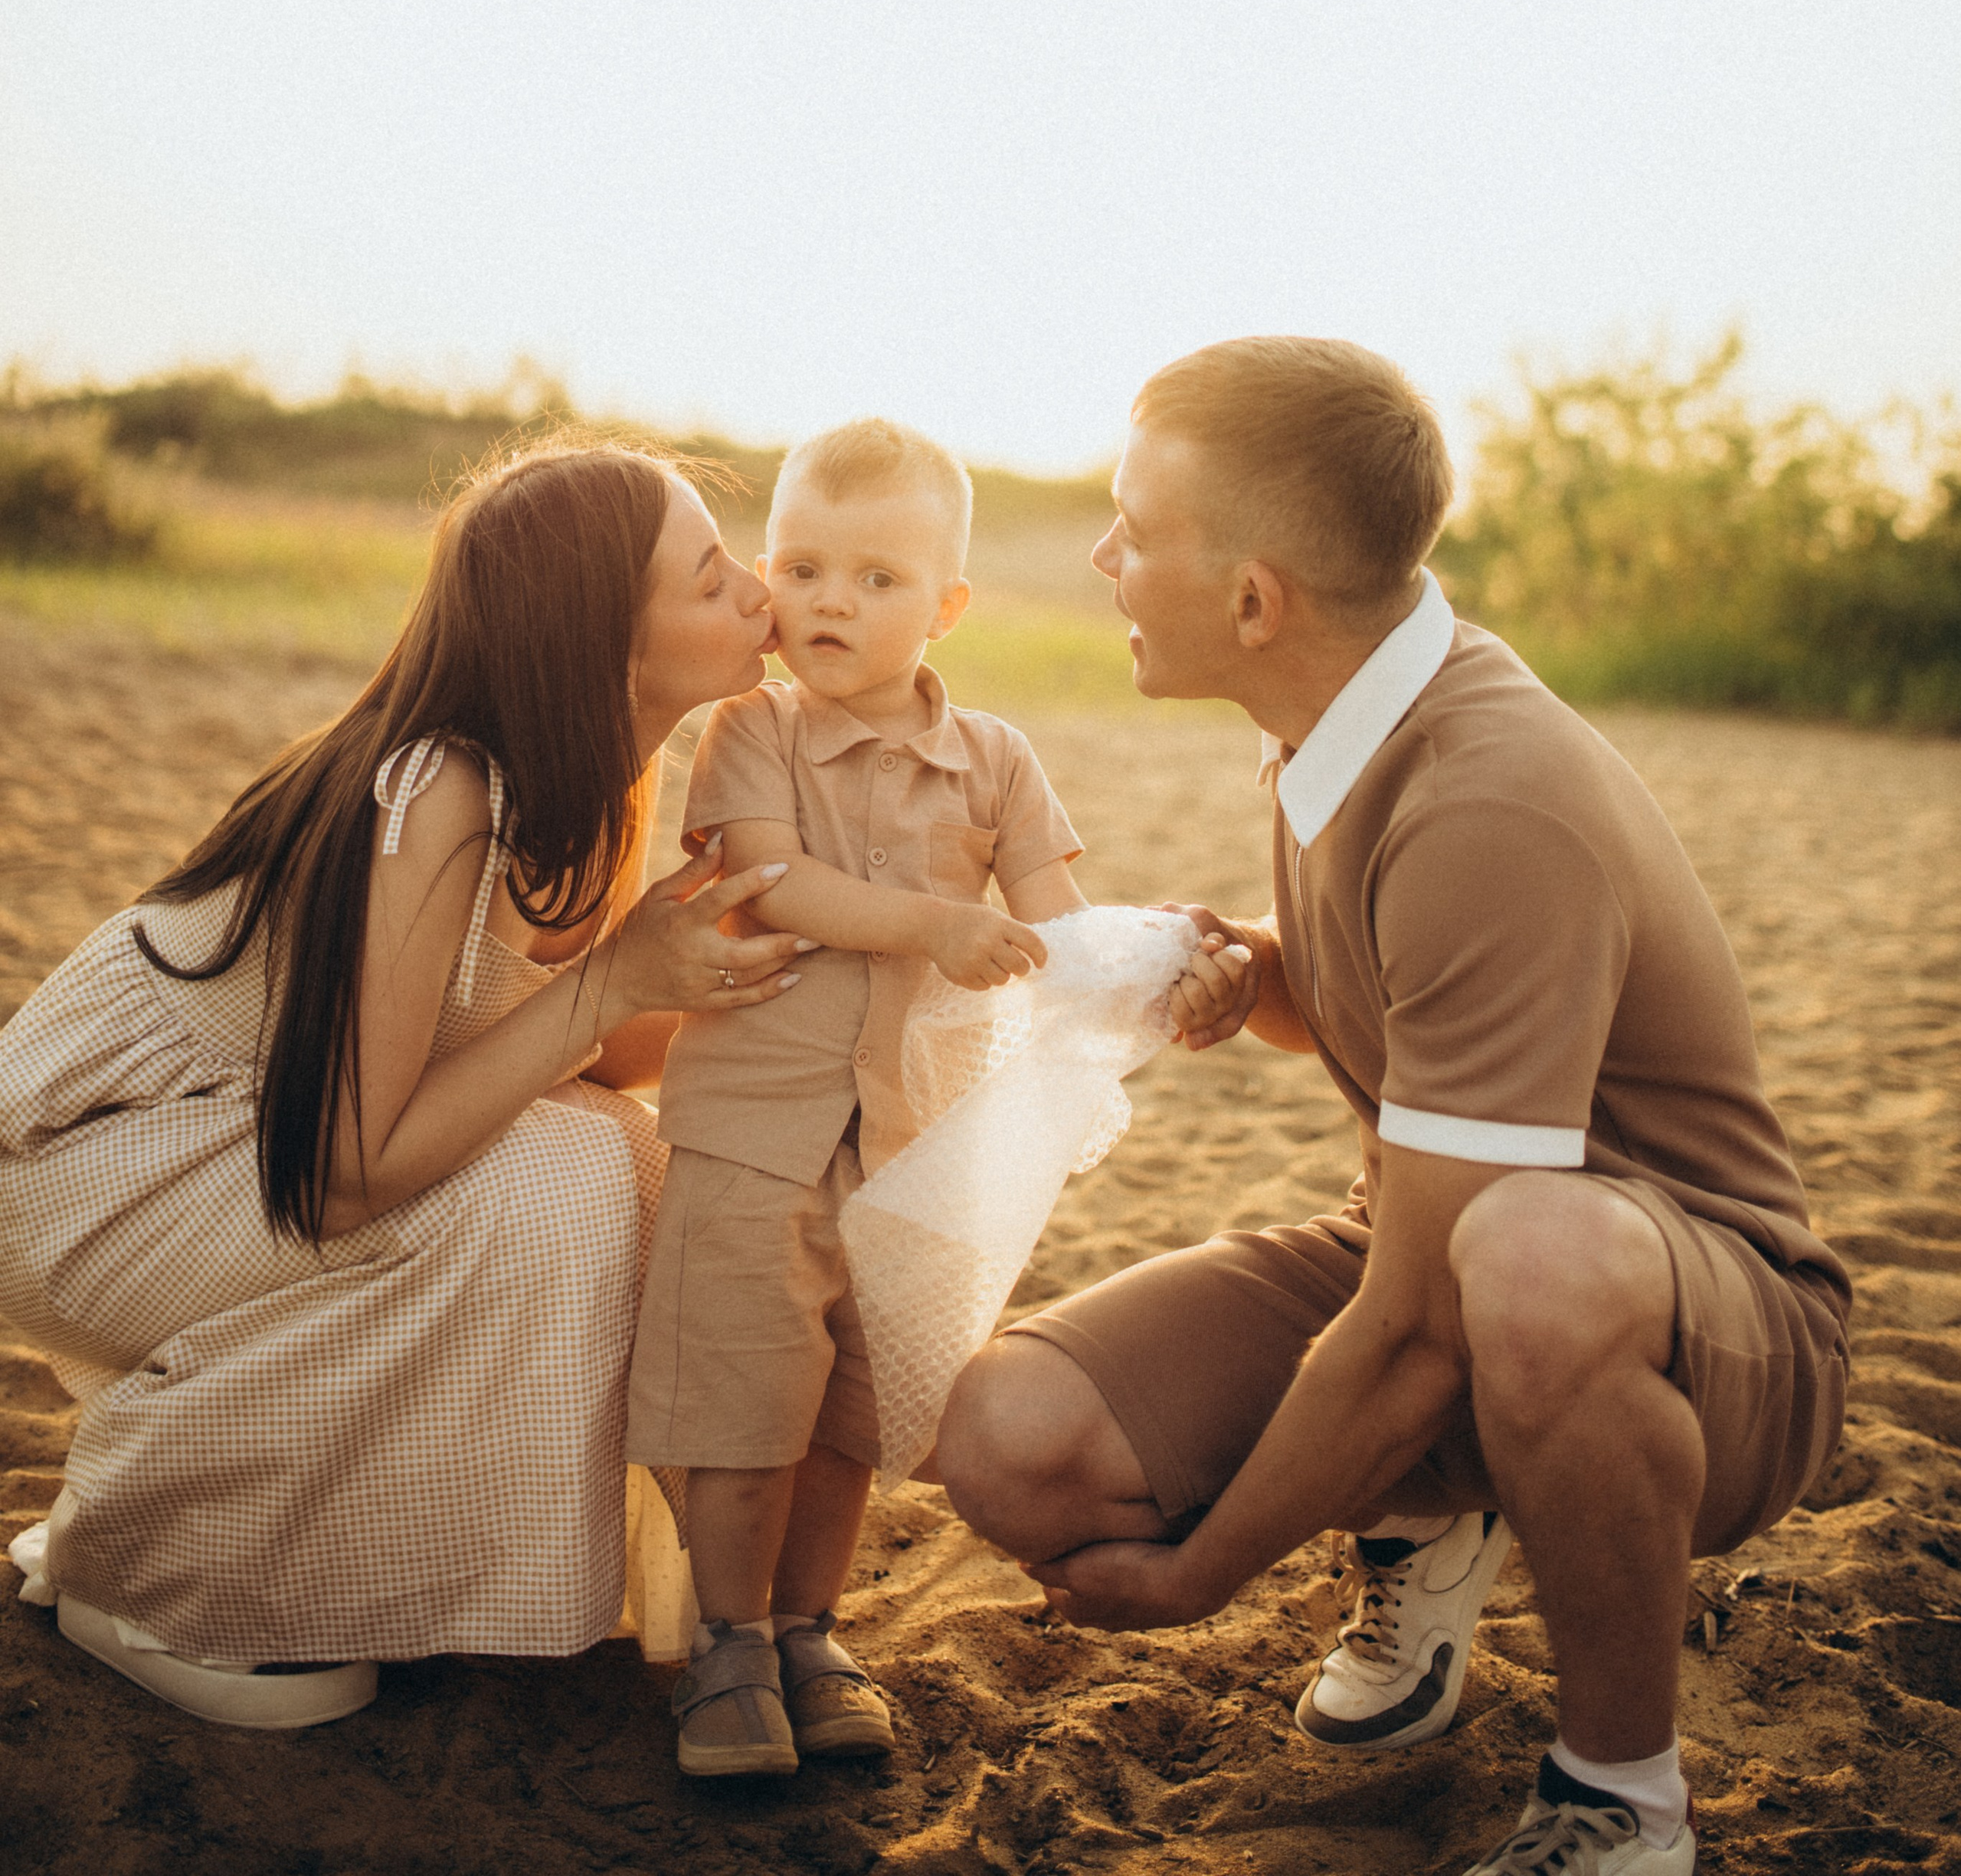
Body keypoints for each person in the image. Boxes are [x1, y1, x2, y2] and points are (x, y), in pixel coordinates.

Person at [936, 339, 1851, 1876]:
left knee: (1526, 1268)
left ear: (1254, 600)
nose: (1102, 560)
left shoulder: (1485, 794)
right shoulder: (1343, 706)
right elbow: (1403, 1010)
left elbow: (1427, 1320)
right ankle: (1435, 1515)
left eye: (1132, 529)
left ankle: (1620, 1799)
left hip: (1703, 1320)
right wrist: (1255, 971)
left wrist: (1205, 1578)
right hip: (1435, 1257)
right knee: (1011, 1440)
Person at [0, 436, 808, 1728]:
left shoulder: (598, 777)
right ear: (604, 643)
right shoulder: (440, 790)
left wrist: (756, 974)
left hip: (255, 1147)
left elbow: (576, 1049)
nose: (760, 591)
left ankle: (315, 1553)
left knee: (619, 1151)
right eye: (712, 578)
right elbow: (347, 1172)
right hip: (97, 1170)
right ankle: (143, 1568)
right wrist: (621, 978)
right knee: (566, 1172)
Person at [624, 417, 1239, 1778]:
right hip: (756, 1132)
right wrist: (933, 927)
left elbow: (1062, 929)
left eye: (877, 578)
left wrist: (1167, 970)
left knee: (846, 1414)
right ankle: (727, 1643)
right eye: (802, 568)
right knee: (743, 1398)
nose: (831, 601)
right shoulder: (752, 732)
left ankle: (806, 1627)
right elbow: (772, 883)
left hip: (911, 1146)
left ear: (945, 607)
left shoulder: (997, 760)